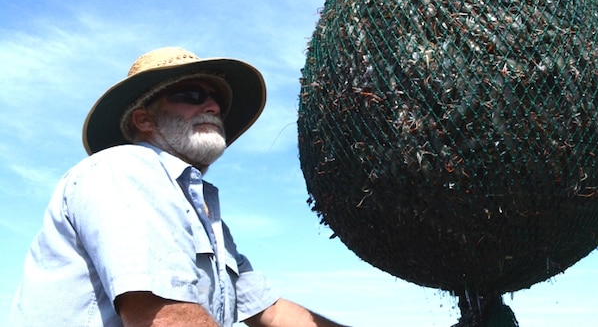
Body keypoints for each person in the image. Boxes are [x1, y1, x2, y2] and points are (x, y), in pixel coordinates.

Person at [9, 47, 348, 327]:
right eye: (191, 95)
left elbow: (270, 311)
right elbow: (163, 316)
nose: (213, 107)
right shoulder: (125, 168)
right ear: (144, 120)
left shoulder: (203, 213)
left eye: (216, 100)